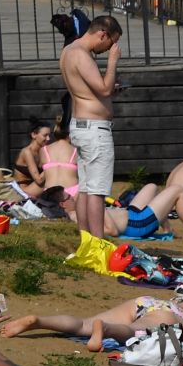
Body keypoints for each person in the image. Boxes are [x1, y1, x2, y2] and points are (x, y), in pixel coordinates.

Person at [59, 14, 123, 237]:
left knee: (86, 189)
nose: (110, 48)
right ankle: (97, 242)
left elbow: (93, 90)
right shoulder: (81, 54)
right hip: (94, 131)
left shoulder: (69, 51)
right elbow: (104, 90)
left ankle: (87, 242)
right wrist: (113, 61)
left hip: (82, 126)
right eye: (111, 42)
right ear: (102, 34)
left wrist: (109, 89)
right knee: (97, 191)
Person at [0, 294, 183, 353]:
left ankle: (40, 321)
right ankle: (107, 329)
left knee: (84, 324)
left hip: (150, 302)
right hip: (174, 316)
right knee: (133, 332)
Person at [13, 119, 52, 193]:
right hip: (23, 191)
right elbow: (39, 180)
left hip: (34, 187)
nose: (48, 138)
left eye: (49, 135)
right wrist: (52, 164)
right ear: (34, 135)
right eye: (45, 135)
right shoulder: (27, 152)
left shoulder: (42, 151)